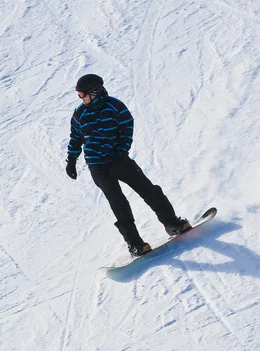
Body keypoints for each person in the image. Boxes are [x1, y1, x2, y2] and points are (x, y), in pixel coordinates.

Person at [65, 74, 191, 257]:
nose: (80, 99)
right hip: (97, 166)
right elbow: (76, 138)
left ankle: (173, 224)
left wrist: (122, 151)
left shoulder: (115, 106)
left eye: (82, 94)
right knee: (118, 203)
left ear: (94, 92)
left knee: (149, 190)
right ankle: (136, 245)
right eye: (78, 95)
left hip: (119, 159)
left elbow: (126, 128)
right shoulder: (79, 114)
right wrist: (71, 160)